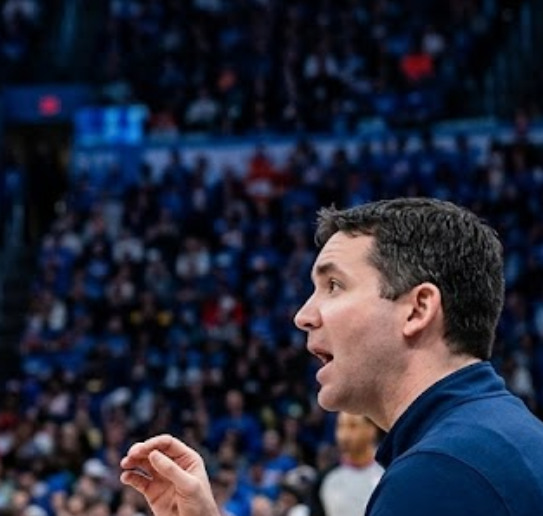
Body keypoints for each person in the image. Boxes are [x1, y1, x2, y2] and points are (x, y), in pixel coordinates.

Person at [120, 198, 543, 516]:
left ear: (417, 310)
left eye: (334, 285)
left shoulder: (444, 473)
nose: (303, 316)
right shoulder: (501, 435)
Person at [310, 413, 382, 516]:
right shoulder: (324, 479)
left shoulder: (389, 471)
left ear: (372, 429)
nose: (344, 435)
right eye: (340, 426)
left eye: (353, 426)